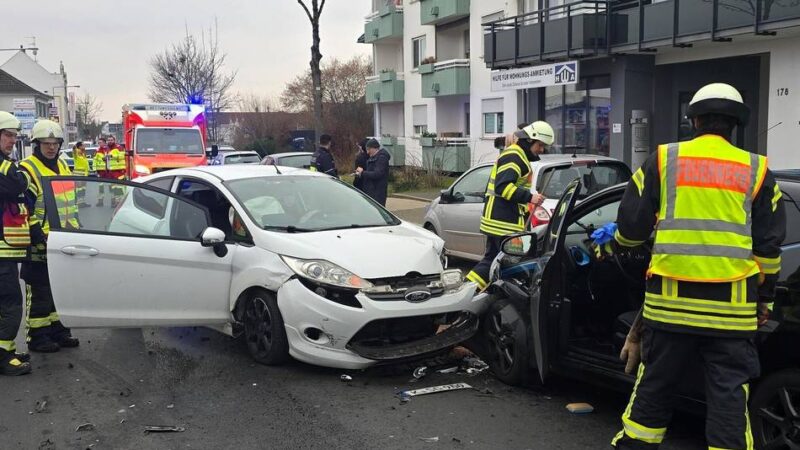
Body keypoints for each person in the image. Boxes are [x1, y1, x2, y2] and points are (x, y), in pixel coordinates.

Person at [607, 83, 786, 449]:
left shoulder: (663, 159)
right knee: (729, 401)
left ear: (694, 120)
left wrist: (619, 245)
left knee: (653, 393)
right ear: (736, 124)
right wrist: (764, 299)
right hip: (731, 314)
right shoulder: (757, 169)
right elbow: (768, 250)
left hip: (669, 309)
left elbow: (630, 229)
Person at [465, 121, 554, 291]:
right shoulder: (515, 156)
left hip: (501, 220)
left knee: (493, 261)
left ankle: (472, 291)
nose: (542, 150)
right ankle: (473, 292)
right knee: (506, 262)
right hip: (502, 222)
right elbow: (502, 187)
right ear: (529, 140)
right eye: (540, 145)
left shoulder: (517, 155)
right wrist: (531, 197)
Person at [19, 119, 80, 353]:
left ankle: (59, 330)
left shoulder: (63, 166)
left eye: (55, 143)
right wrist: (36, 236)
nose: (51, 147)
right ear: (36, 144)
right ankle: (37, 336)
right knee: (39, 290)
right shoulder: (28, 169)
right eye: (46, 143)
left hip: (63, 238)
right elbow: (24, 208)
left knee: (59, 289)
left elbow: (72, 202)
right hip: (39, 241)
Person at [0, 111, 32, 375]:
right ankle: (2, 356)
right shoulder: (5, 168)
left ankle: (6, 350)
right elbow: (19, 184)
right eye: (8, 135)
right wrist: (14, 170)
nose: (12, 140)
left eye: (14, 136)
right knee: (10, 303)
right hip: (1, 252)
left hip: (6, 250)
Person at [356, 139, 391, 206]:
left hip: (377, 193)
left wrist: (362, 172)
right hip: (371, 191)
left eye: (368, 149)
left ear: (374, 148)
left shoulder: (382, 158)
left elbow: (377, 174)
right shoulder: (373, 158)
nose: (367, 152)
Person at [106, 135, 126, 206]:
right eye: (109, 140)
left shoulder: (119, 147)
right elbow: (108, 160)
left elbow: (122, 156)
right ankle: (114, 201)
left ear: (114, 140)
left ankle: (119, 202)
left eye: (111, 140)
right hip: (111, 171)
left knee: (119, 187)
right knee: (112, 187)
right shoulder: (107, 148)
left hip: (119, 170)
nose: (110, 141)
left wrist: (112, 156)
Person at [72, 141, 90, 207]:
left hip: (84, 174)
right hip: (78, 174)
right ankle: (77, 202)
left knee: (83, 189)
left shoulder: (83, 154)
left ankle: (82, 202)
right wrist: (74, 147)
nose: (84, 146)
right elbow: (74, 150)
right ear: (79, 146)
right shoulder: (76, 153)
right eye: (83, 145)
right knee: (78, 189)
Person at [93, 137, 109, 207]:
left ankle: (114, 201)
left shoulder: (109, 150)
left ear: (104, 143)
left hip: (109, 171)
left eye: (100, 142)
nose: (99, 144)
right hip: (101, 171)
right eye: (98, 142)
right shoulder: (97, 150)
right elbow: (94, 160)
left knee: (112, 186)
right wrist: (94, 170)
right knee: (101, 187)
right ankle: (100, 201)